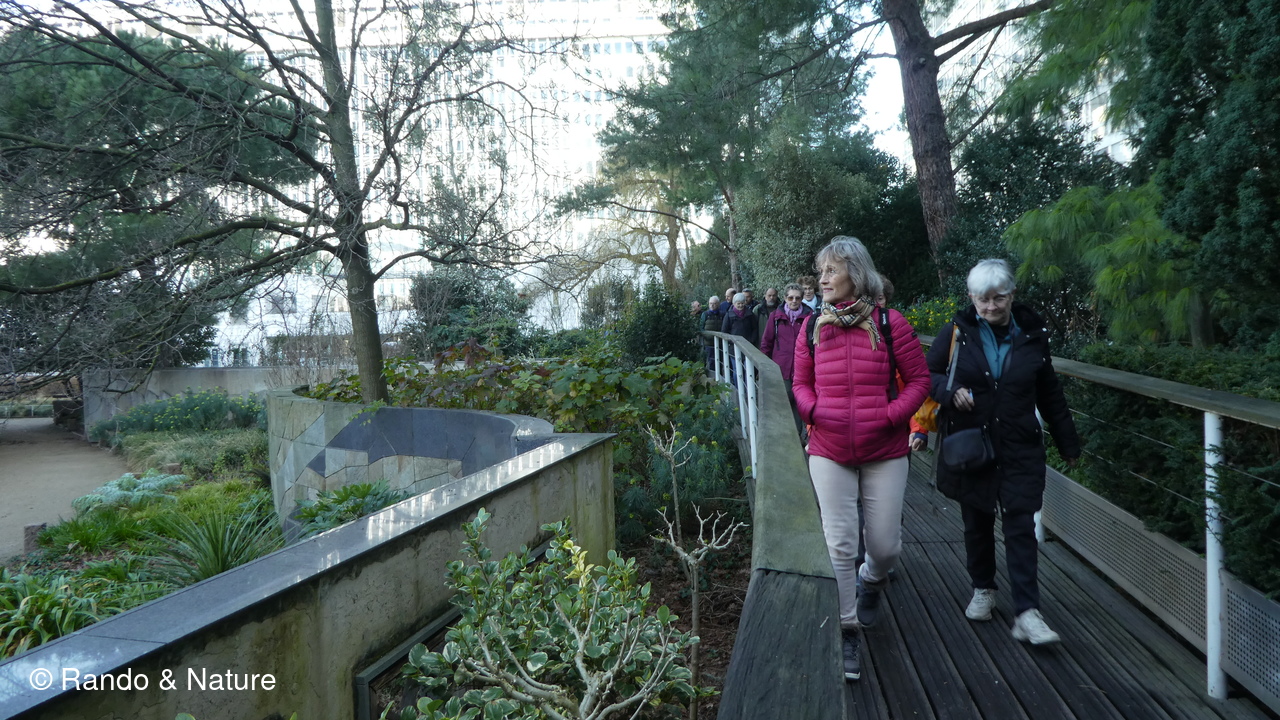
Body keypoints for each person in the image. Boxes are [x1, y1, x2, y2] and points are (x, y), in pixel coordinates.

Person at [791, 237, 930, 683]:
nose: (822, 279)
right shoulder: (812, 327)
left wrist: (890, 416)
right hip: (829, 449)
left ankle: (872, 580)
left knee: (885, 547)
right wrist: (815, 412)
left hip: (884, 449)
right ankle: (846, 629)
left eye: (831, 270)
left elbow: (919, 380)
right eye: (821, 271)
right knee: (840, 544)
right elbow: (799, 384)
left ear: (855, 272)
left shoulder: (890, 323)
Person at [926, 258, 1080, 646]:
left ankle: (1027, 612)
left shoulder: (1032, 335)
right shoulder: (957, 332)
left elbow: (1049, 392)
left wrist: (1068, 442)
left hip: (1019, 445)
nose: (991, 306)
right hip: (972, 445)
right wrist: (949, 392)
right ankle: (983, 587)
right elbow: (927, 374)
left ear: (1012, 295)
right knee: (976, 522)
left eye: (998, 298)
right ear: (971, 297)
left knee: (1021, 526)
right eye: (983, 299)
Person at [759, 283, 812, 424]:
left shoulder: (810, 317)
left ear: (802, 299)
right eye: (790, 298)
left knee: (800, 404)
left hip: (802, 368)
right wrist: (763, 366)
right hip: (781, 367)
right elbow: (766, 342)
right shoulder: (775, 317)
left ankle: (799, 434)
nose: (794, 301)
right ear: (785, 298)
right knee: (783, 402)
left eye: (797, 298)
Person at [701, 295, 723, 373]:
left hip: (720, 344)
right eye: (710, 303)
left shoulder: (722, 314)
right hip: (709, 344)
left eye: (714, 303)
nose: (712, 305)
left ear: (718, 304)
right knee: (711, 362)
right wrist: (707, 336)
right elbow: (701, 327)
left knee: (720, 363)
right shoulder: (705, 314)